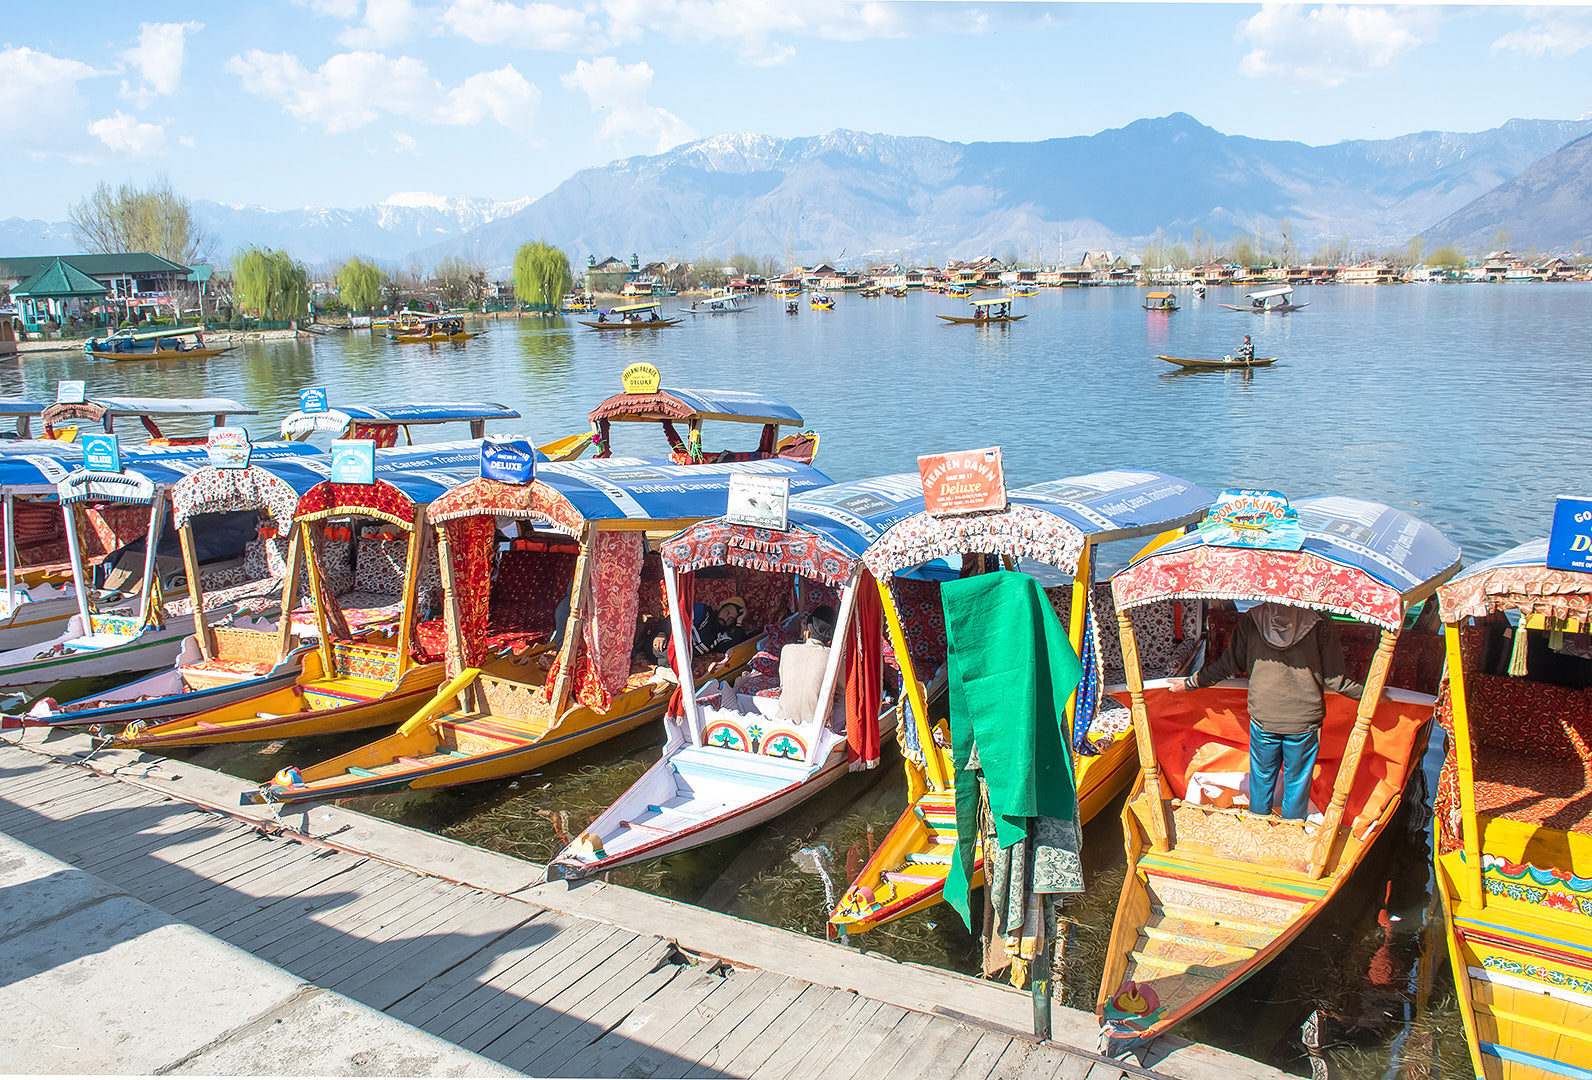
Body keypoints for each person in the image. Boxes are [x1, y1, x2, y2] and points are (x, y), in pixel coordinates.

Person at [1169, 603, 1365, 820]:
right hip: (1304, 720)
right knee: (1297, 783)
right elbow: (1335, 679)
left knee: (1261, 779)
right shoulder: (1321, 623)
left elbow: (1228, 665)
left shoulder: (1251, 619)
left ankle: (1258, 827)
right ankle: (1290, 832)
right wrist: (1370, 694)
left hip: (1264, 716)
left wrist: (1190, 683)